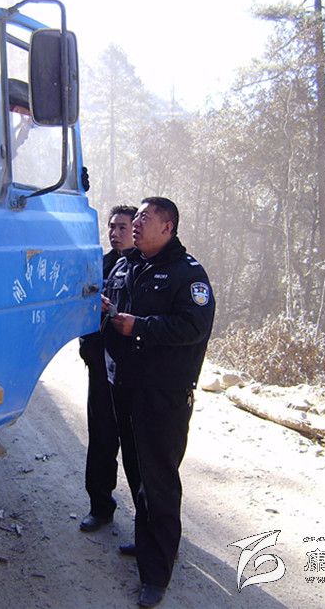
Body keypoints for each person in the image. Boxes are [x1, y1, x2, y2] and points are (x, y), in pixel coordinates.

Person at [102, 197, 215, 608]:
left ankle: (156, 574)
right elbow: (119, 311)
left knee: (159, 481)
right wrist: (108, 312)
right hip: (127, 387)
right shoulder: (128, 265)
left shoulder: (188, 273)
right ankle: (147, 540)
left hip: (163, 394)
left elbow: (193, 326)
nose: (136, 223)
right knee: (136, 472)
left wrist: (140, 326)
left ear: (167, 227)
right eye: (136, 217)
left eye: (145, 218)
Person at [78, 205, 137, 532]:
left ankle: (148, 523)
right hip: (101, 366)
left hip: (133, 372)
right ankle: (100, 507)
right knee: (101, 437)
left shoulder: (146, 268)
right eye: (112, 227)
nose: (115, 233)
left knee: (137, 447)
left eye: (122, 227)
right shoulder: (101, 264)